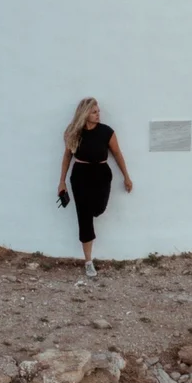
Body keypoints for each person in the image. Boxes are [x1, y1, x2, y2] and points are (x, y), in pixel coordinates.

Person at [57, 97, 133, 278]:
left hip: (101, 174)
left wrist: (126, 176)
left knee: (98, 209)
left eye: (98, 111)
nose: (98, 114)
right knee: (84, 218)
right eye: (94, 112)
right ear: (85, 114)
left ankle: (90, 213)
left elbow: (117, 154)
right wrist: (62, 181)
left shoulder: (106, 132)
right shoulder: (74, 132)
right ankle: (88, 261)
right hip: (80, 176)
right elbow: (67, 157)